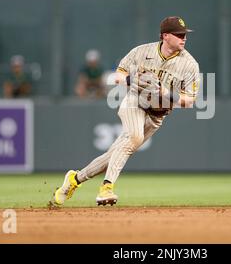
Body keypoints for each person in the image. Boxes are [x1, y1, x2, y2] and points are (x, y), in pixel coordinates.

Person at [50, 16, 200, 207]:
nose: (184, 38)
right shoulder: (142, 52)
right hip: (134, 102)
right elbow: (117, 75)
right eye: (179, 34)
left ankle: (73, 180)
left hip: (157, 116)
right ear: (165, 36)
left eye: (185, 34)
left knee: (114, 154)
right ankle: (106, 188)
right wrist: (131, 81)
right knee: (135, 137)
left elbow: (190, 101)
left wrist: (167, 93)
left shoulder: (189, 65)